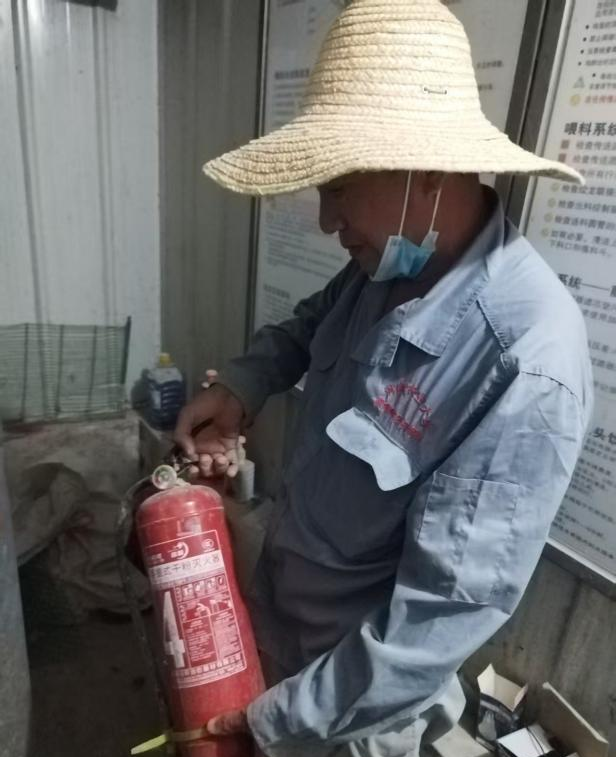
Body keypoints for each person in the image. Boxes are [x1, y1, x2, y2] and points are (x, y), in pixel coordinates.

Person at [174, 1, 593, 755]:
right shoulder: (394, 260)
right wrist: (240, 386)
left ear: (427, 170)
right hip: (279, 631)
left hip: (350, 715)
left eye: (340, 187)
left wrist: (274, 721)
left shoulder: (527, 359)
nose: (326, 219)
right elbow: (310, 324)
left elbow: (436, 618)